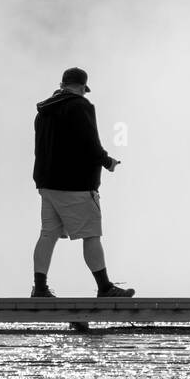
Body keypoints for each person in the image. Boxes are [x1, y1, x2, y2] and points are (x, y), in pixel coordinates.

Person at [32, 66, 134, 298]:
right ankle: (105, 287)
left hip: (47, 184)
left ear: (62, 84)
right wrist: (108, 162)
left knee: (47, 235)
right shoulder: (80, 106)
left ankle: (39, 288)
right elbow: (90, 143)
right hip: (75, 185)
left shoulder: (43, 111)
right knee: (91, 235)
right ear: (81, 87)